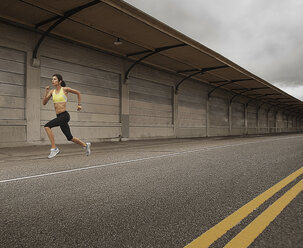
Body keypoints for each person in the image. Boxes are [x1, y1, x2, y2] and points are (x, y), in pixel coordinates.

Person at [42, 74, 91, 158]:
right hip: (59, 117)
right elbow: (44, 103)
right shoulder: (52, 92)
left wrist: (79, 105)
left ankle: (54, 149)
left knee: (47, 126)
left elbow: (78, 93)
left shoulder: (65, 89)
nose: (52, 81)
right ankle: (85, 145)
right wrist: (46, 92)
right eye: (52, 79)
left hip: (64, 115)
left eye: (54, 79)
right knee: (69, 137)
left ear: (60, 81)